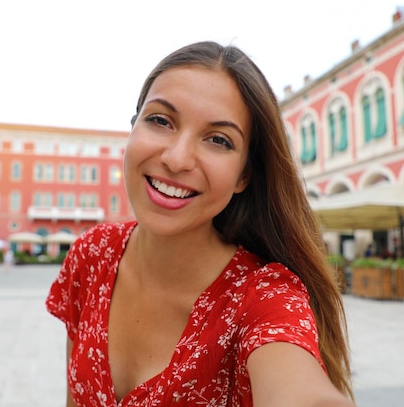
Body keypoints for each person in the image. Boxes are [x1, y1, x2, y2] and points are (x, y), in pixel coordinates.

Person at [45, 41, 356, 406]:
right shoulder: (92, 253)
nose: (177, 159)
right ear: (132, 129)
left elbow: (299, 390)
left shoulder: (262, 297)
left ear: (244, 176)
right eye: (160, 120)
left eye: (218, 140)